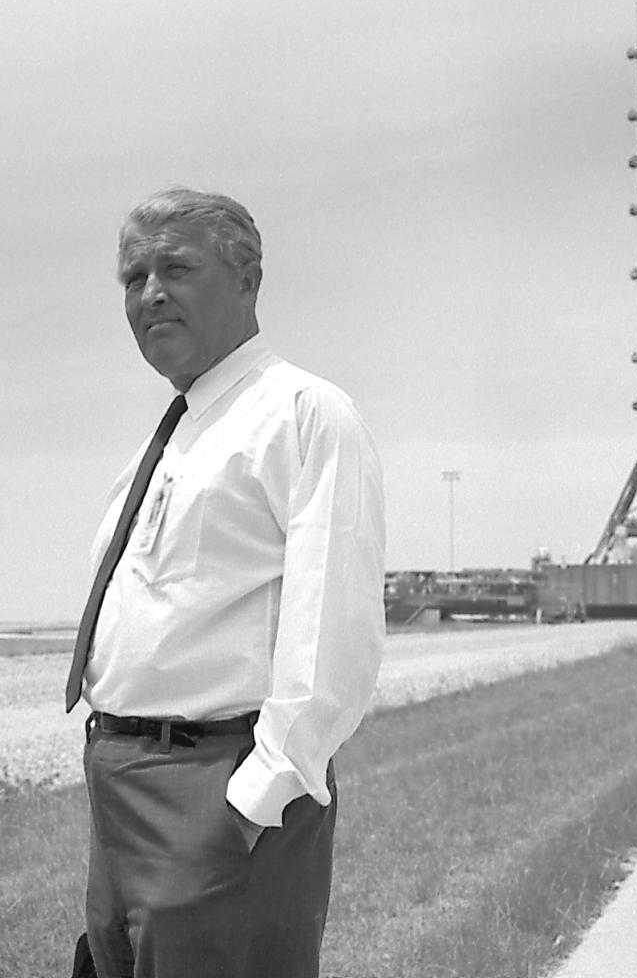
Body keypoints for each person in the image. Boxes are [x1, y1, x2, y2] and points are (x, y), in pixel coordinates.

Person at [66, 186, 386, 978]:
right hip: (122, 782)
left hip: (219, 786)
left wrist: (255, 800)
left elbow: (331, 631)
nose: (149, 293)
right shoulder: (178, 432)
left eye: (175, 267)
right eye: (132, 277)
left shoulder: (303, 414)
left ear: (246, 279)